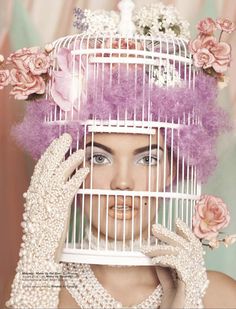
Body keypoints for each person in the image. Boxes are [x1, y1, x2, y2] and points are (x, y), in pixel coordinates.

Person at [1, 1, 236, 308]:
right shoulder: (43, 292)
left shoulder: (220, 296)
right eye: (100, 157)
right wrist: (38, 256)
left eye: (147, 158)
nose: (122, 182)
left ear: (173, 168)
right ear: (68, 167)